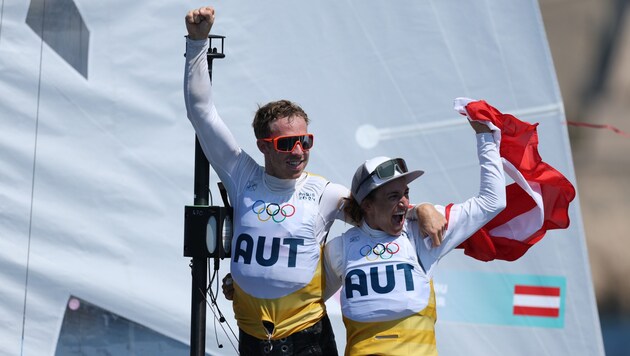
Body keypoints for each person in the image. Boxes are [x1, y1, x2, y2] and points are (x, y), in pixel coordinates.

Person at [184, 6, 446, 355]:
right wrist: (197, 43)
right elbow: (201, 113)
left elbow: (379, 211)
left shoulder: (325, 193)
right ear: (263, 146)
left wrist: (422, 209)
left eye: (304, 141)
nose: (298, 151)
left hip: (309, 340)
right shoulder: (241, 173)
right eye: (285, 143)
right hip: (252, 339)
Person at [324, 119, 506, 356]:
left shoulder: (423, 234)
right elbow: (305, 308)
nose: (404, 202)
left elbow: (492, 202)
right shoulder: (340, 248)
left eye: (406, 194)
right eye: (393, 196)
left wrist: (485, 136)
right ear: (367, 205)